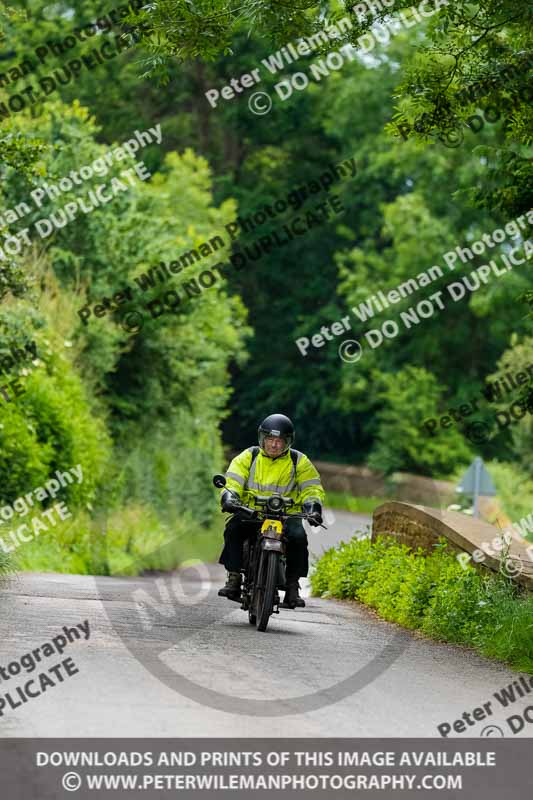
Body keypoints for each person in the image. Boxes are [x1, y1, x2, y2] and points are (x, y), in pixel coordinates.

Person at [217, 413, 325, 608]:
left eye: (280, 441)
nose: (274, 445)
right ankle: (234, 577)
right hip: (251, 512)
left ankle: (292, 585)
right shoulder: (249, 457)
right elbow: (233, 479)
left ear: (288, 442)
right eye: (270, 440)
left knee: (298, 537)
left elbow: (312, 487)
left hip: (286, 515)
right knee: (233, 529)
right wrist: (230, 496)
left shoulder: (298, 460)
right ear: (262, 439)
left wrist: (313, 506)